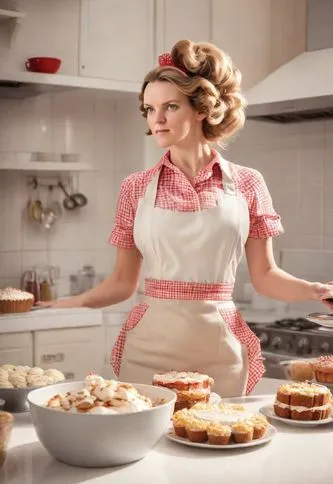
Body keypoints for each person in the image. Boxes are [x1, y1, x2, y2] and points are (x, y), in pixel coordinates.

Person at [42, 39, 333, 397]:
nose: (157, 119)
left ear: (201, 110)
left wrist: (316, 290)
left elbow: (266, 276)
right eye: (149, 109)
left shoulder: (247, 183)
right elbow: (122, 281)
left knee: (221, 439)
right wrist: (71, 302)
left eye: (170, 106)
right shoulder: (136, 188)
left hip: (221, 351)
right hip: (148, 349)